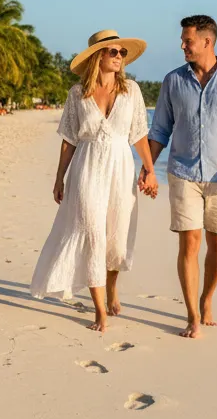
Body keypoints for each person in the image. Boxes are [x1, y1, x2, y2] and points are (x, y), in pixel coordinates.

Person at [31, 30, 159, 332]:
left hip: (121, 168)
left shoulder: (132, 91)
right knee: (92, 235)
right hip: (87, 169)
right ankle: (99, 310)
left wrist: (150, 169)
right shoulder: (78, 94)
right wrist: (59, 177)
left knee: (117, 235)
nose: (118, 57)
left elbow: (139, 134)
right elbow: (69, 140)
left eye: (121, 53)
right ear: (97, 56)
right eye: (112, 52)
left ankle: (111, 288)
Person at [145, 15, 217, 338]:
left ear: (207, 42)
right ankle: (192, 316)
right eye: (183, 40)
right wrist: (147, 167)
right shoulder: (173, 81)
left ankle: (207, 298)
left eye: (188, 40)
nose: (182, 45)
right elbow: (160, 129)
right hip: (183, 172)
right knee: (190, 243)